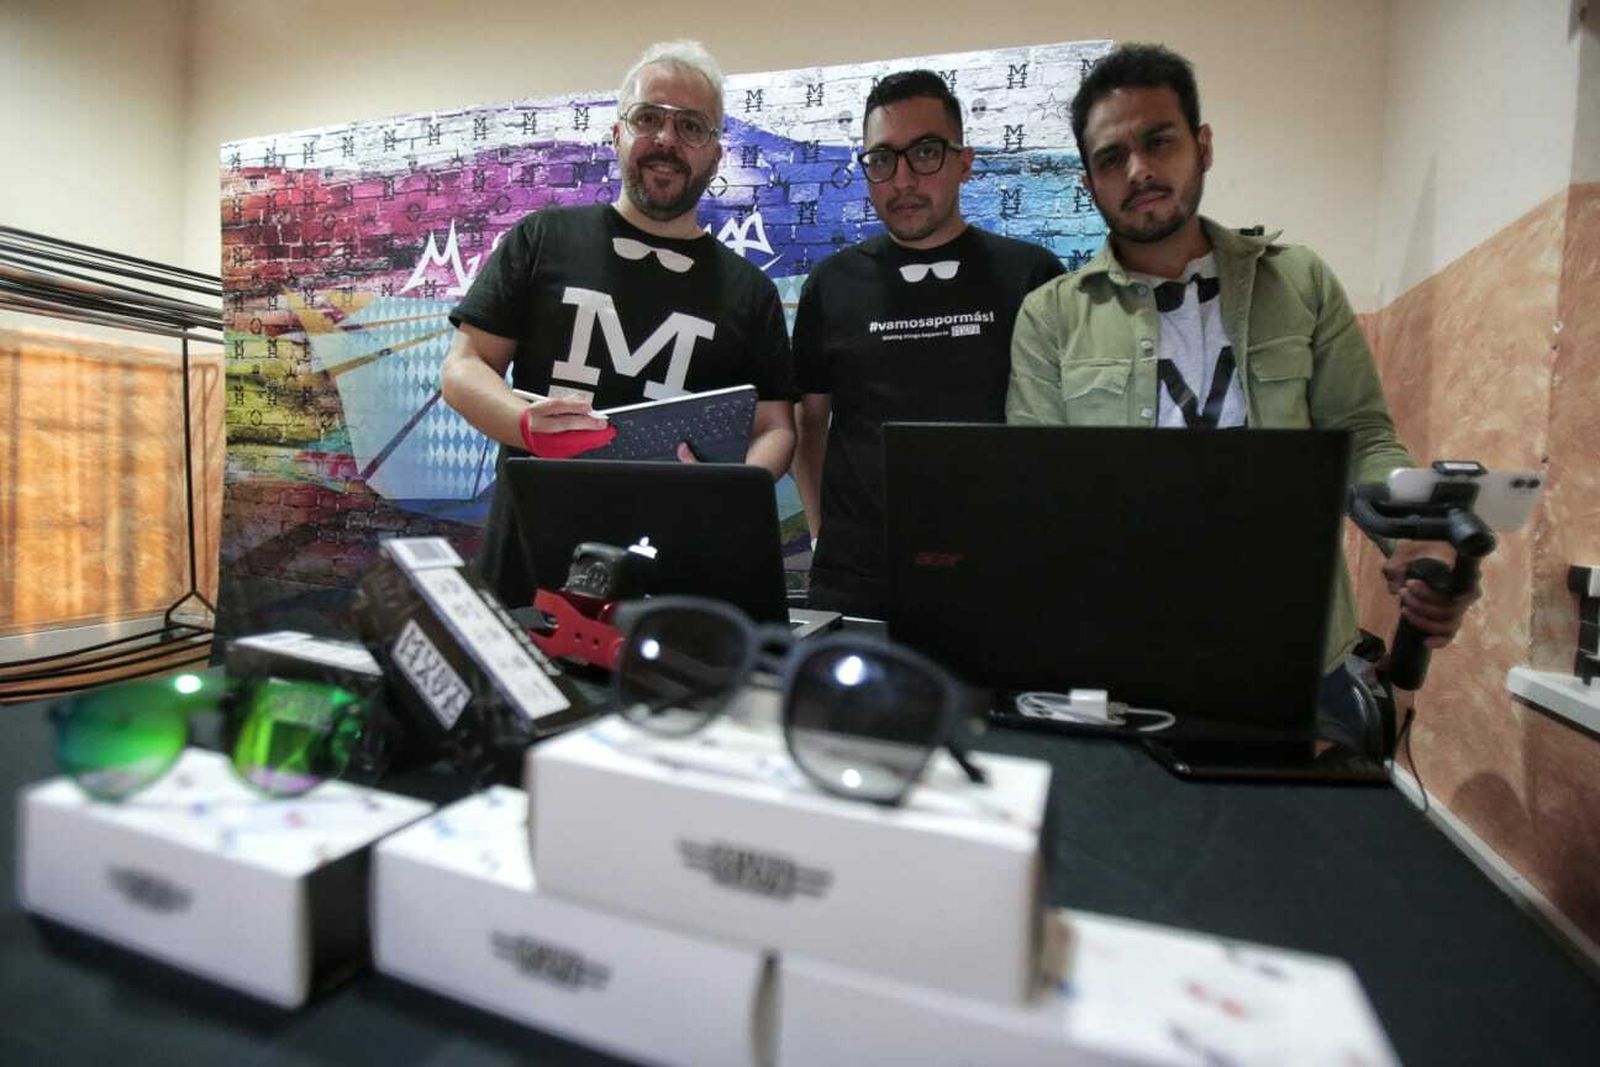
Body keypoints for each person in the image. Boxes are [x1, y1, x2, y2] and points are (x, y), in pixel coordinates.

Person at [1006, 43, 1478, 750]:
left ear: (1201, 146)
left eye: (1158, 141)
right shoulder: (1049, 316)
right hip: (1121, 656)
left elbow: (1362, 434)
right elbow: (1036, 485)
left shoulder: (1301, 282)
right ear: (1089, 182)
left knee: (1297, 853)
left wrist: (1412, 536)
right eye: (1111, 159)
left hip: (1296, 652)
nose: (1138, 170)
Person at [441, 40, 796, 608]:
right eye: (648, 119)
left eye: (691, 127)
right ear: (617, 136)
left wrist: (731, 492)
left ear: (714, 155)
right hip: (531, 566)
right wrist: (524, 423)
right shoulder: (541, 239)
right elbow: (464, 367)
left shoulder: (751, 292)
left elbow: (776, 426)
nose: (666, 140)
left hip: (680, 577)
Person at [792, 70, 1064, 618]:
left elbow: (1058, 435)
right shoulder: (833, 283)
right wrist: (824, 532)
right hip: (857, 582)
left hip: (997, 575)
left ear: (965, 160)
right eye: (882, 160)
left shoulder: (1031, 275)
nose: (903, 180)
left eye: (926, 152)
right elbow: (808, 425)